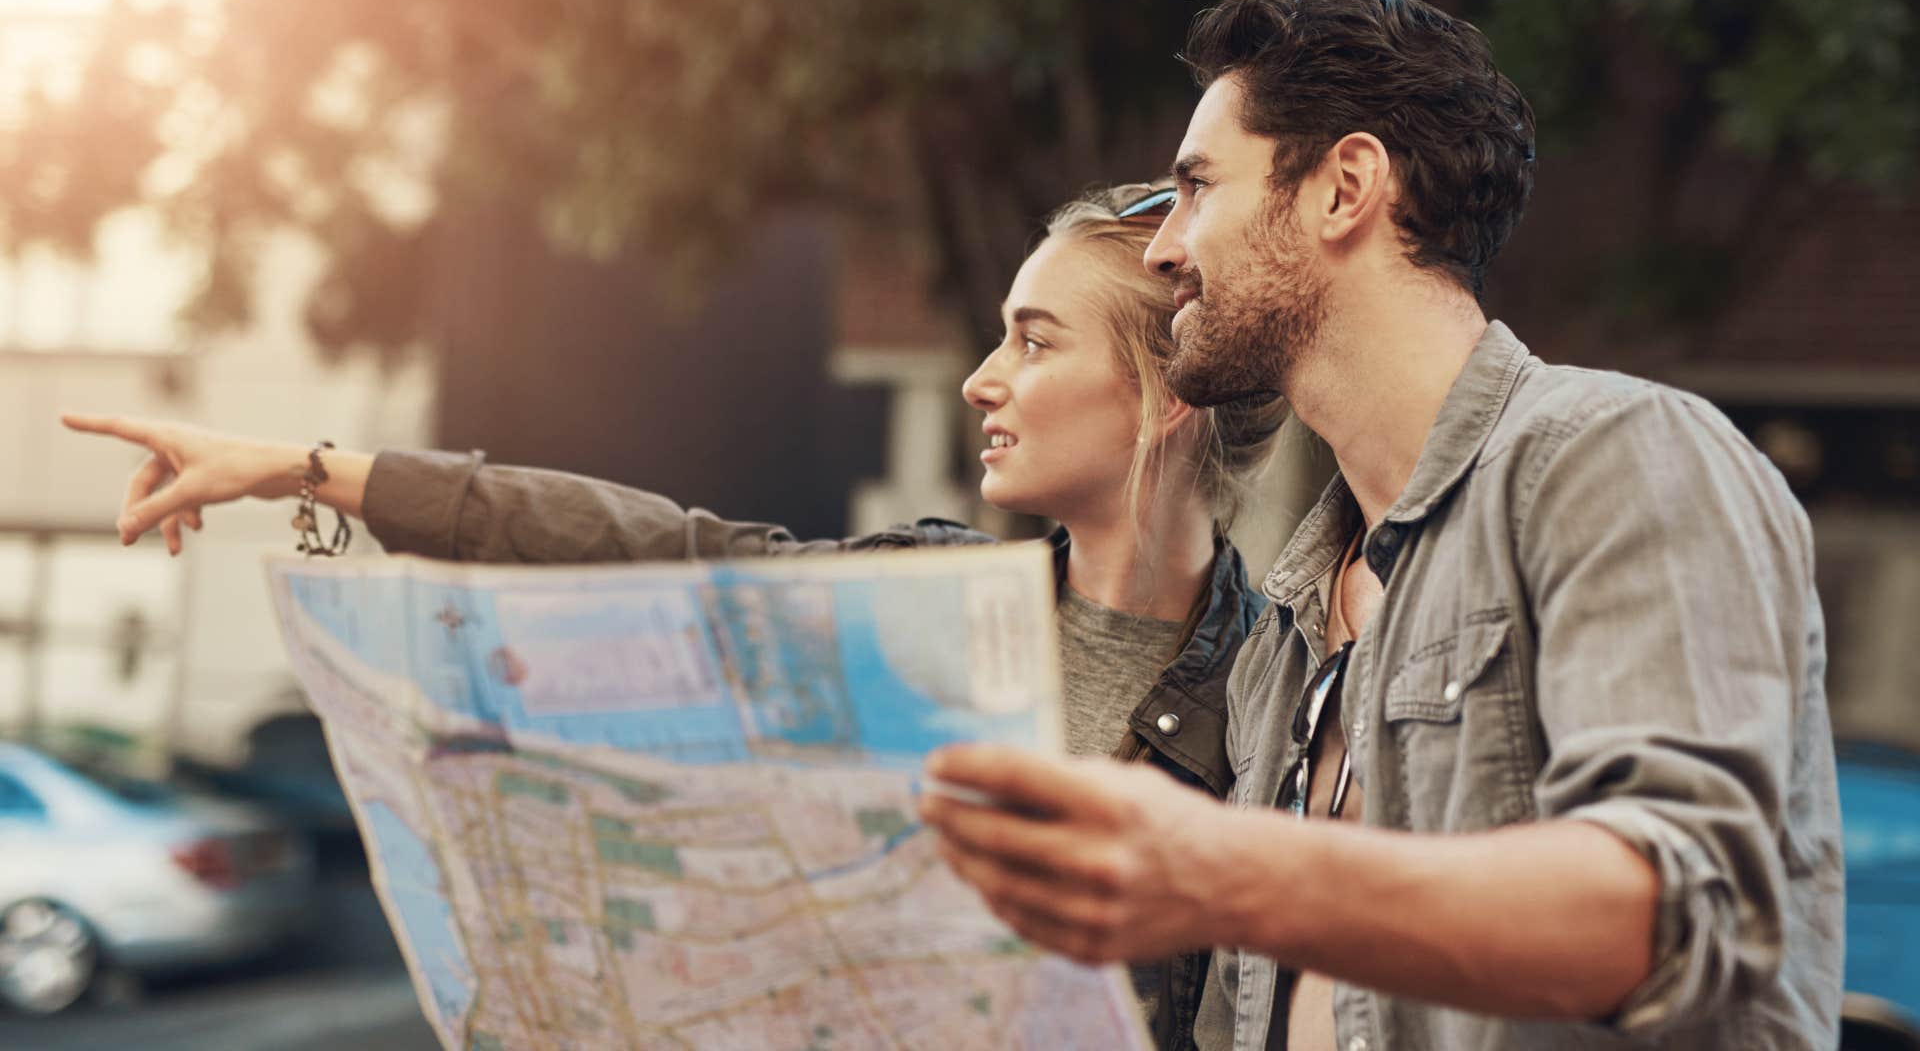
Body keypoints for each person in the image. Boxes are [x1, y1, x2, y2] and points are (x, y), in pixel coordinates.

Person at [63, 182, 1289, 1049]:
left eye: (1033, 340)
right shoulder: (923, 606)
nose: (983, 377)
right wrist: (301, 467)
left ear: (1162, 395)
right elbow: (649, 544)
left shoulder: (1281, 704)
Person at [919, 0, 1844, 1051]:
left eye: (1197, 187)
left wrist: (1221, 867)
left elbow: (1677, 917)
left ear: (1344, 187)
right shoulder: (1286, 637)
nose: (1166, 246)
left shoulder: (1614, 459)